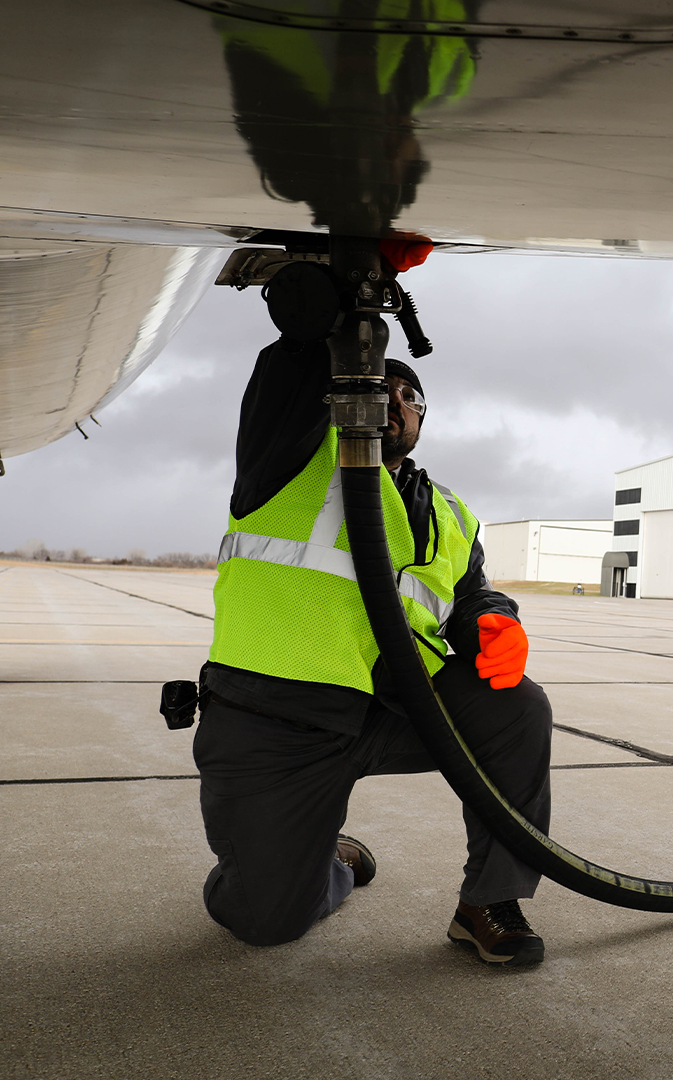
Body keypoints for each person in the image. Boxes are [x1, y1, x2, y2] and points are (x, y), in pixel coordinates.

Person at [194, 339, 553, 966]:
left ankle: (489, 904)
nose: (391, 402)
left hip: (396, 711)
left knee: (516, 708)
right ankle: (324, 859)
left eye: (408, 395)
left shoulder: (452, 512)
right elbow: (290, 370)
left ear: (420, 419)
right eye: (374, 385)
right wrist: (326, 311)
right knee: (262, 919)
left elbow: (468, 594)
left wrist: (495, 619)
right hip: (278, 721)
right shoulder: (288, 457)